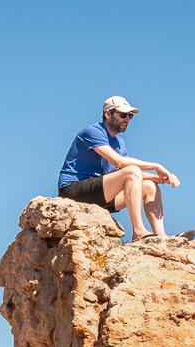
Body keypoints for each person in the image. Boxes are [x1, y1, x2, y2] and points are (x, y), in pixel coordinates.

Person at [56, 96, 184, 243]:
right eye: (123, 115)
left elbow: (132, 175)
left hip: (100, 193)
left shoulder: (119, 143)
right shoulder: (93, 131)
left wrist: (161, 179)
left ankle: (162, 237)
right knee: (132, 171)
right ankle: (138, 232)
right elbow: (120, 162)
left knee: (150, 186)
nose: (127, 119)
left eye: (130, 116)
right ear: (107, 114)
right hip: (74, 190)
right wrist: (157, 166)